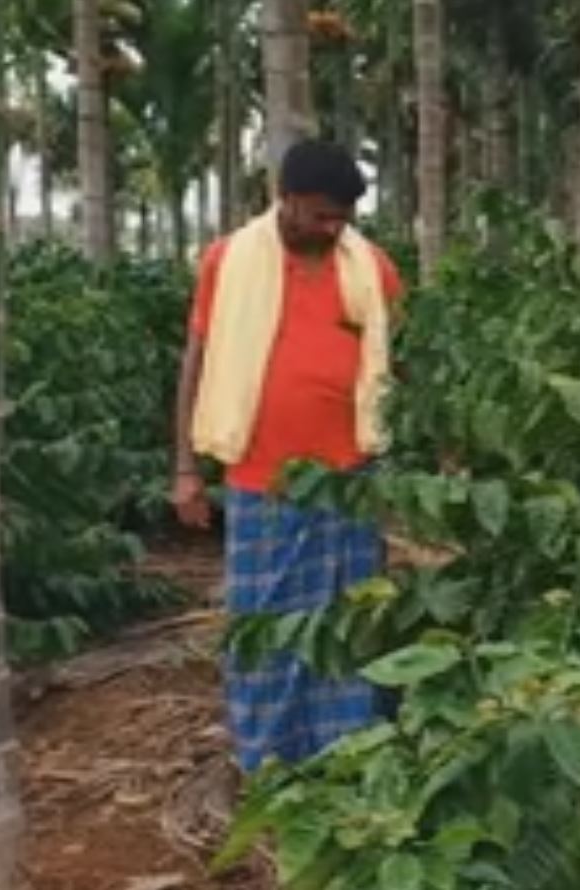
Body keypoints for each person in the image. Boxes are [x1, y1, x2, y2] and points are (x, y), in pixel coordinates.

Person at [170, 139, 405, 772]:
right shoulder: (228, 262)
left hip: (351, 479)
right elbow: (196, 361)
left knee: (348, 620)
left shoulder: (372, 267)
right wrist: (186, 469)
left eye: (343, 219)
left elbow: (398, 363)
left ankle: (347, 754)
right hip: (260, 479)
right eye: (323, 215)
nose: (334, 229)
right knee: (265, 628)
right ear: (289, 199)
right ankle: (269, 761)